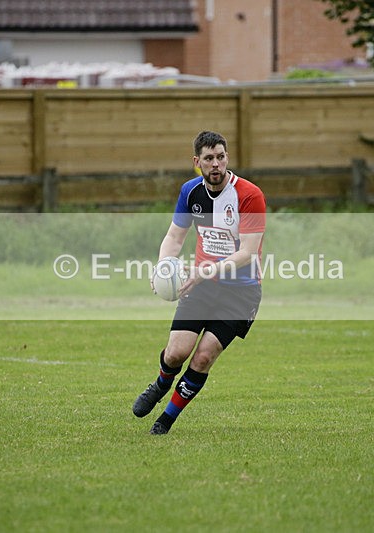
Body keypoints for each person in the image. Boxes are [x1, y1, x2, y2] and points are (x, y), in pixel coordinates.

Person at [132, 130, 266, 435]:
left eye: (220, 157)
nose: (216, 164)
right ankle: (160, 384)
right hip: (202, 286)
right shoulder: (190, 192)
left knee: (204, 356)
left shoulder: (249, 195)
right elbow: (174, 236)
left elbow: (247, 252)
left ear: (227, 158)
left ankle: (165, 420)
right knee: (176, 353)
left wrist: (203, 271)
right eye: (209, 159)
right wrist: (163, 267)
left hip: (241, 293)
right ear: (197, 162)